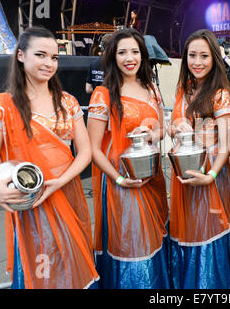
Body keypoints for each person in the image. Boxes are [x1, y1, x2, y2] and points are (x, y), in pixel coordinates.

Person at [0, 27, 99, 289]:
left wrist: (60, 181)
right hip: (30, 204)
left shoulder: (69, 102)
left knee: (74, 265)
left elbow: (85, 151)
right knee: (41, 271)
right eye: (40, 55)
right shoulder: (3, 106)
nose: (49, 63)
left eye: (54, 57)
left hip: (68, 193)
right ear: (21, 55)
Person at [87, 28, 170, 289]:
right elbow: (93, 149)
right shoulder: (103, 94)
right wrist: (120, 180)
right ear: (113, 57)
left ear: (143, 55)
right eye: (122, 52)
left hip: (151, 176)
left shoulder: (151, 88)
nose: (129, 58)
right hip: (120, 183)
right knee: (132, 242)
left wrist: (150, 134)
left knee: (154, 236)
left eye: (134, 51)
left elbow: (162, 129)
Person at [167, 29, 230, 288]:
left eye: (204, 56)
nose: (197, 62)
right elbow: (172, 126)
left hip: (213, 179)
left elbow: (226, 145)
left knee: (210, 234)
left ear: (215, 59)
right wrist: (174, 128)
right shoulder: (183, 89)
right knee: (187, 234)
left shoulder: (220, 94)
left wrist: (210, 176)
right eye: (192, 56)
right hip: (184, 174)